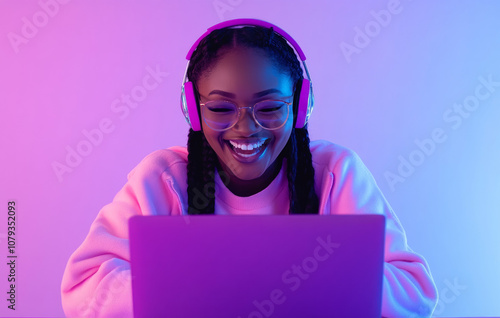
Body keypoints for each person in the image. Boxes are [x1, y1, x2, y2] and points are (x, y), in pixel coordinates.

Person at [61, 19, 438, 317]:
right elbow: (83, 288)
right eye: (222, 109)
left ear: (300, 106)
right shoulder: (163, 178)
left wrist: (286, 279)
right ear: (193, 111)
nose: (246, 128)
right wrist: (210, 286)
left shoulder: (337, 173)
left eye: (270, 107)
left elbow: (415, 293)